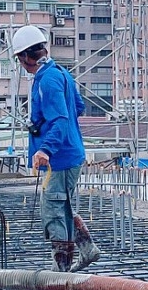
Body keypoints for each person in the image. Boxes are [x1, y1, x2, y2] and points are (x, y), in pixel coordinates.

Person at [14, 24, 98, 272]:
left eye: (19, 58)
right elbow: (78, 107)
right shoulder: (60, 72)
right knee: (63, 205)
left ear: (26, 57)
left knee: (53, 210)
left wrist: (45, 149)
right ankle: (87, 248)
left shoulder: (48, 80)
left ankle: (61, 268)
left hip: (59, 159)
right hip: (70, 154)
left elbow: (61, 119)